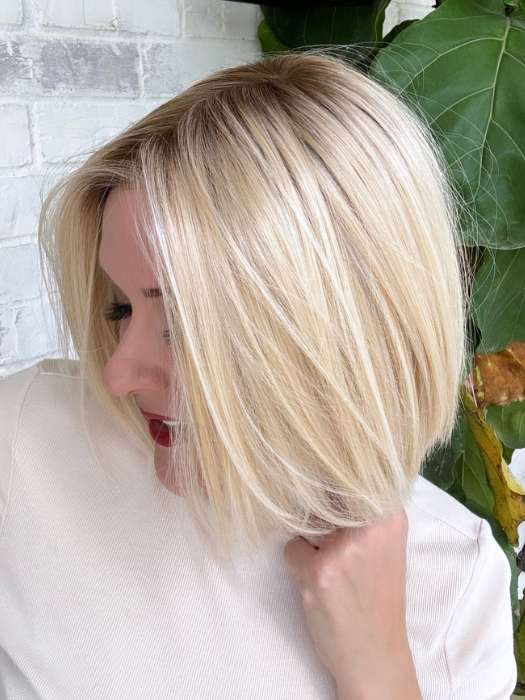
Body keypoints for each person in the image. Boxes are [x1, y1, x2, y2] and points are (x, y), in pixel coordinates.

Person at [0, 49, 517, 699]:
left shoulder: (451, 581)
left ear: (350, 326)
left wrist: (378, 669)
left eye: (184, 325)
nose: (119, 376)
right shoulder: (26, 443)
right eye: (119, 307)